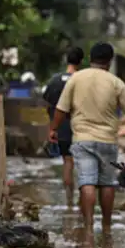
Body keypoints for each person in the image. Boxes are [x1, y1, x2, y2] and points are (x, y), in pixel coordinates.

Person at [50, 42, 125, 234]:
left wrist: (53, 128)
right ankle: (106, 225)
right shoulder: (115, 82)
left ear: (90, 59)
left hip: (82, 138)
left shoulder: (76, 78)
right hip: (108, 140)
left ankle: (88, 224)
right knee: (107, 182)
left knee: (87, 181)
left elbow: (61, 108)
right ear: (110, 61)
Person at [43, 46, 84, 208]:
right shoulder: (82, 80)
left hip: (62, 128)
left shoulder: (55, 80)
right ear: (81, 61)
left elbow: (47, 103)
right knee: (83, 163)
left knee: (67, 162)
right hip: (81, 127)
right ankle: (83, 199)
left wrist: (52, 126)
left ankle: (68, 201)